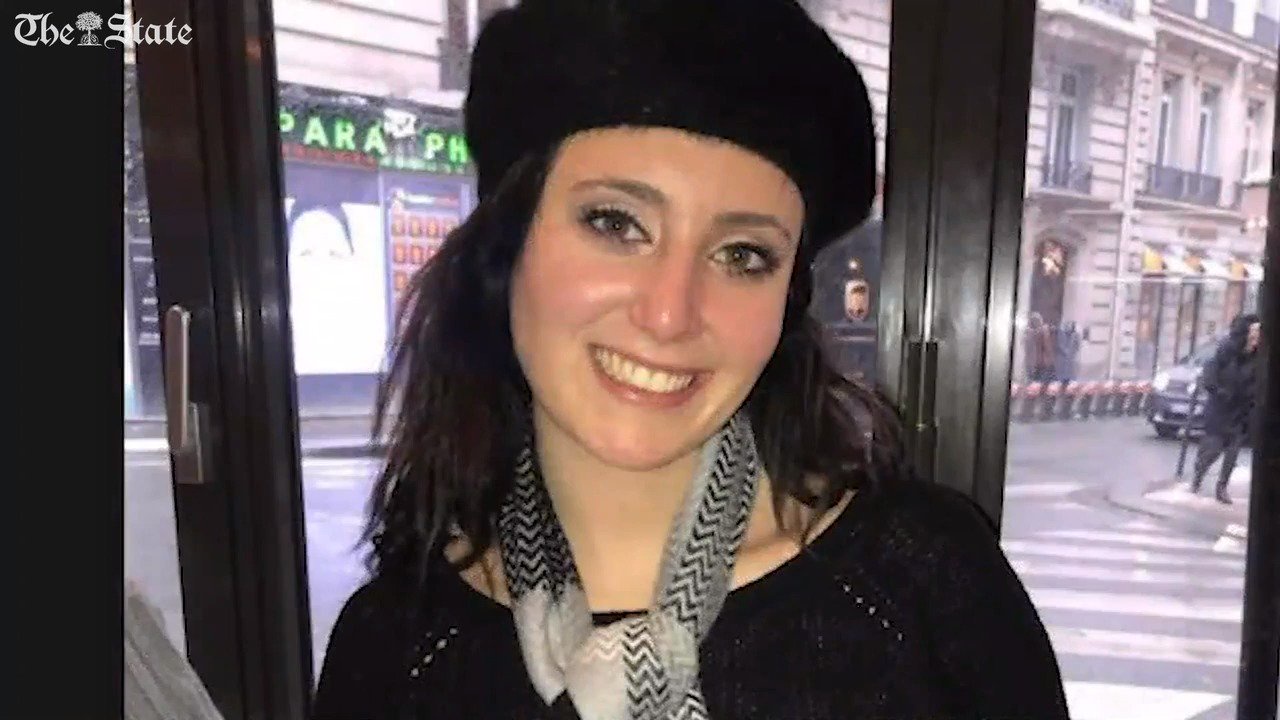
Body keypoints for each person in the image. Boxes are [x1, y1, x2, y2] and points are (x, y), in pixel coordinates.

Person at [313, 2, 1069, 719]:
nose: (670, 313)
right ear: (507, 248)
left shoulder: (921, 590)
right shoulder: (396, 649)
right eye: (616, 223)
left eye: (742, 255)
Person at [1190, 313, 1262, 504]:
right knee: (1213, 450)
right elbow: (1209, 376)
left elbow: (1258, 382)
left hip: (1240, 411)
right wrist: (1221, 392)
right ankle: (1198, 475)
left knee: (1233, 451)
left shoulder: (1258, 357)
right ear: (1245, 332)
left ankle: (1222, 487)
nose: (1257, 336)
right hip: (1220, 409)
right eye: (1254, 331)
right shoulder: (1226, 350)